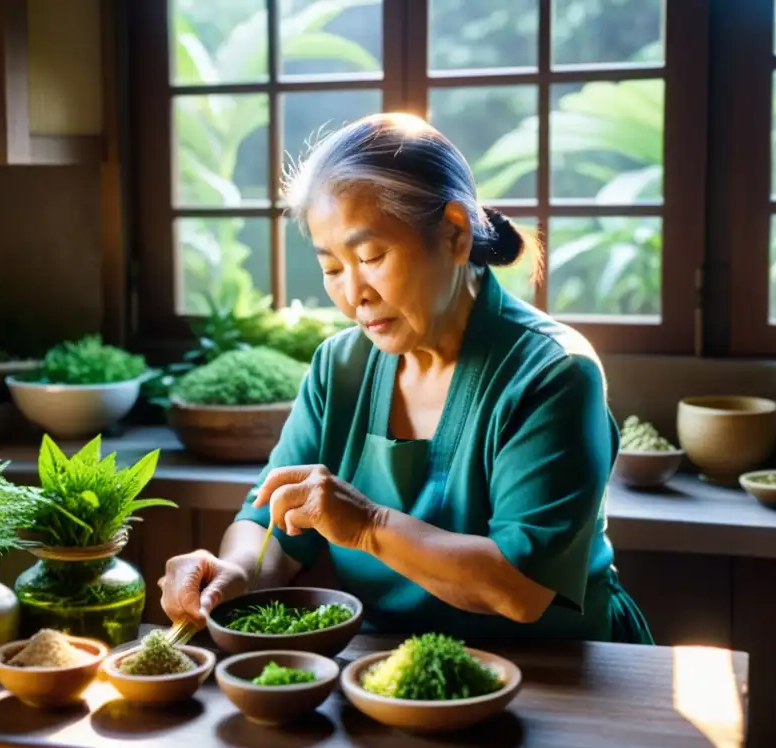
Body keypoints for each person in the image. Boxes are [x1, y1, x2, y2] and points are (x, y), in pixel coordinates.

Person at [159, 113, 653, 644]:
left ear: (455, 235)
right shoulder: (338, 367)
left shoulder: (553, 373)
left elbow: (520, 588)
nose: (354, 293)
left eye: (371, 256)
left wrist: (370, 526)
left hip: (563, 672)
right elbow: (271, 522)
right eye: (331, 268)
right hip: (391, 674)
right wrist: (236, 572)